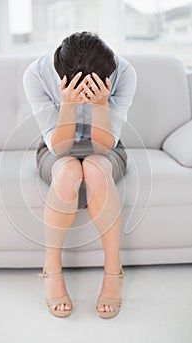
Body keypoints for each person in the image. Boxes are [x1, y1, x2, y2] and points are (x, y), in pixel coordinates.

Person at [23, 31, 137, 318]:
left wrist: (100, 105)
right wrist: (69, 104)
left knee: (96, 169)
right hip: (56, 149)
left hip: (107, 145)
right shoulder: (36, 75)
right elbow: (60, 149)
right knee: (69, 172)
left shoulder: (124, 72)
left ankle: (114, 269)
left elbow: (102, 147)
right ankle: (52, 268)